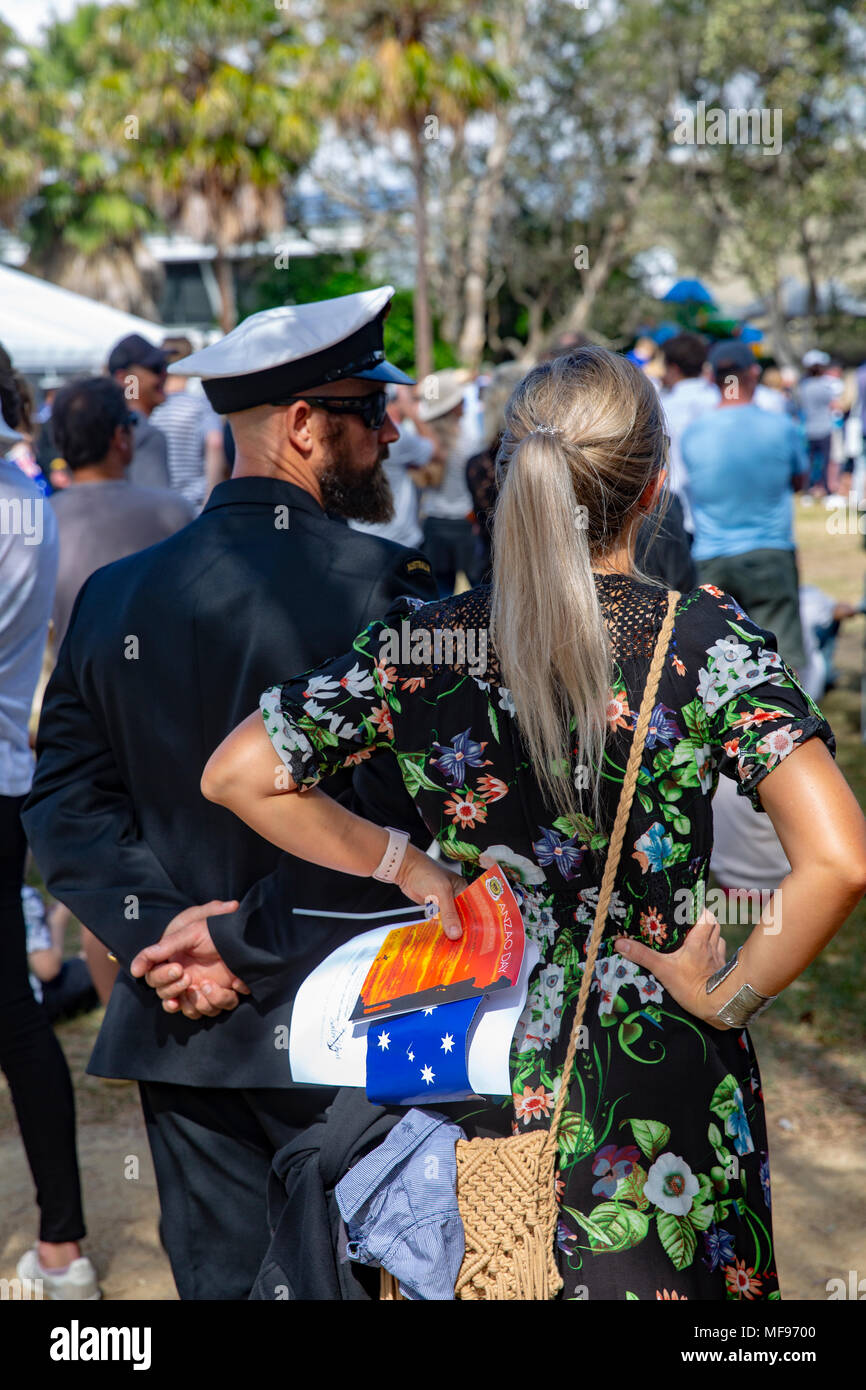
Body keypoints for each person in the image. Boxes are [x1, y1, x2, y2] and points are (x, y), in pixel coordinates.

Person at [202, 345, 866, 1300]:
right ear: (654, 485)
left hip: (472, 1042)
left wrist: (409, 867)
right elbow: (837, 861)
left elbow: (240, 774)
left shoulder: (426, 639)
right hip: (659, 1060)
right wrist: (728, 997)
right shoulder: (700, 642)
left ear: (510, 477)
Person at [23, 286, 440, 1301]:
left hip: (186, 1026)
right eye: (367, 410)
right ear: (301, 425)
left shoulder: (118, 592)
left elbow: (67, 806)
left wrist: (161, 932)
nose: (390, 433)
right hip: (346, 1016)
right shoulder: (386, 588)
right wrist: (219, 942)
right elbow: (410, 830)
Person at [0, 392, 100, 1300]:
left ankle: (65, 1244)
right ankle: (62, 1242)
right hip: (3, 776)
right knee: (16, 1014)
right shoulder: (29, 496)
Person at [681, 340, 809, 671]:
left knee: (722, 666)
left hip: (712, 557)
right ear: (754, 373)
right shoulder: (781, 427)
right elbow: (799, 481)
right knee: (782, 660)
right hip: (770, 552)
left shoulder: (693, 434)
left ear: (711, 379)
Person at [49, 377, 194, 651]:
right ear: (119, 437)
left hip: (73, 684)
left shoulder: (41, 519)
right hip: (160, 681)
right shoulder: (174, 512)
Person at [349, 383, 435, 549]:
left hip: (361, 536)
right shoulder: (400, 435)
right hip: (401, 539)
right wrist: (412, 412)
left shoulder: (355, 432)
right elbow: (434, 449)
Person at [417, 369, 478, 595]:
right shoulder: (469, 440)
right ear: (452, 406)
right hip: (465, 525)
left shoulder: (422, 442)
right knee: (480, 597)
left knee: (439, 601)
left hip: (434, 525)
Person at [151, 337, 228, 509]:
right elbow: (215, 442)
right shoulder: (200, 405)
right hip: (195, 503)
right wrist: (211, 497)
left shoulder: (152, 408)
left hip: (159, 505)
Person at [659, 332, 719, 533]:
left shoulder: (663, 407)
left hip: (676, 515)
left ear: (673, 368)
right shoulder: (719, 401)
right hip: (716, 515)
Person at [107, 334, 171, 490]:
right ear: (125, 379)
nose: (165, 374)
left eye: (164, 366)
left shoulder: (111, 425)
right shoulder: (142, 433)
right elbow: (155, 506)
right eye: (155, 368)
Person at [796, 349, 843, 497]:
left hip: (808, 429)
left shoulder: (803, 387)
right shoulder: (825, 386)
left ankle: (806, 492)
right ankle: (826, 491)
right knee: (825, 462)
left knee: (808, 463)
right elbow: (835, 405)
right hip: (824, 428)